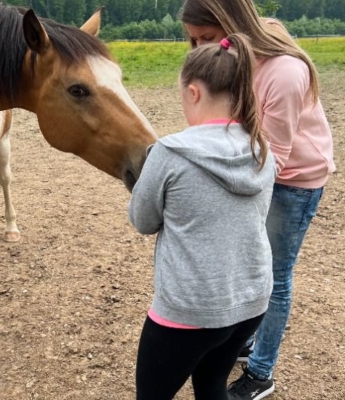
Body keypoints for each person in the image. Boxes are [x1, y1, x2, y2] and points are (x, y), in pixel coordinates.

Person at [181, 1, 336, 399]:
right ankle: (246, 339)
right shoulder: (229, 57)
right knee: (248, 265)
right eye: (193, 40)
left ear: (231, 26)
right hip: (255, 169)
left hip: (293, 179)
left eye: (206, 38)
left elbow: (277, 157)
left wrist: (216, 182)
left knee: (274, 277)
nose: (199, 49)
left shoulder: (283, 72)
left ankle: (261, 372)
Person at [128, 33, 276, 400]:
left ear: (193, 92)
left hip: (190, 308)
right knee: (211, 386)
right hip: (251, 300)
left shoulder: (169, 153)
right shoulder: (261, 149)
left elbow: (143, 221)